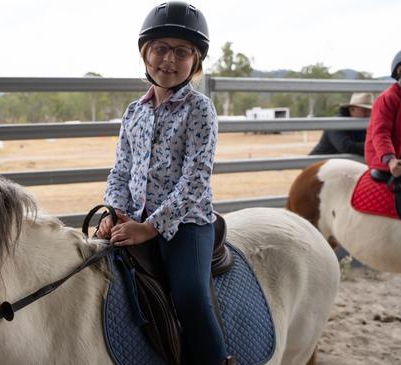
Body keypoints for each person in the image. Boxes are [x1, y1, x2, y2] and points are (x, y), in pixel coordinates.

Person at [96, 2, 232, 364]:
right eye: (160, 48)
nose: (168, 60)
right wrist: (115, 211)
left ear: (196, 62)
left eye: (182, 51)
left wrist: (150, 228)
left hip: (185, 224)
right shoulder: (133, 112)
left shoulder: (199, 110)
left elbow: (195, 180)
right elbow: (121, 170)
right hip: (133, 218)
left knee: (189, 294)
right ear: (145, 53)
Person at [365, 48, 401, 177]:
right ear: (400, 72)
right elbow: (381, 133)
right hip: (384, 158)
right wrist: (390, 159)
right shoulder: (387, 99)